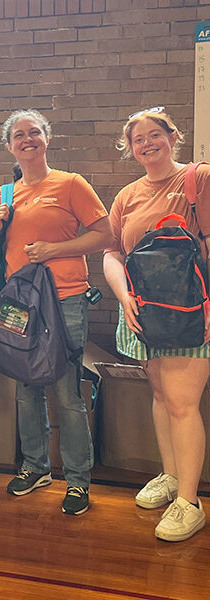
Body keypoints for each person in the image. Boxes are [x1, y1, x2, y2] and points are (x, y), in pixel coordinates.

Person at [0, 109, 112, 515]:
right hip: (19, 303)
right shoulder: (3, 195)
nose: (27, 139)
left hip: (66, 299)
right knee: (25, 387)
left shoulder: (71, 184)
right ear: (9, 146)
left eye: (34, 132)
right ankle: (36, 467)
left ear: (46, 139)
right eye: (18, 135)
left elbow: (105, 234)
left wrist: (55, 250)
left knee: (67, 394)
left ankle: (77, 480)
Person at [103, 107, 210, 541]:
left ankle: (190, 501)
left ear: (172, 136)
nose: (147, 144)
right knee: (163, 397)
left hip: (189, 314)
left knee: (184, 404)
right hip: (143, 312)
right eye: (138, 139)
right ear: (129, 149)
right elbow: (112, 252)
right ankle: (170, 477)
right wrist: (123, 296)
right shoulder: (127, 196)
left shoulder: (197, 180)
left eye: (154, 135)